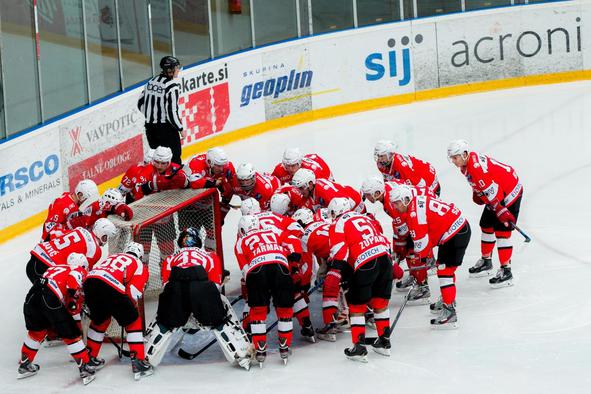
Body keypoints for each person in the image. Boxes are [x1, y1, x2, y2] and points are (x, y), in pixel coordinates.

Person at [145, 228, 251, 370]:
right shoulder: (210, 255)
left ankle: (145, 356)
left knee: (163, 318)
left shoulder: (170, 258)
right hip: (201, 291)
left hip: (175, 291)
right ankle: (242, 353)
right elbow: (216, 286)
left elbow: (166, 286)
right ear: (198, 241)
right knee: (222, 310)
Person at [390, 184, 471, 329]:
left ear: (405, 200)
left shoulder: (414, 216)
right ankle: (449, 300)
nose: (395, 207)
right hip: (456, 230)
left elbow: (422, 246)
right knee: (445, 269)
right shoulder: (416, 202)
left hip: (455, 234)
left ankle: (450, 311)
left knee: (444, 271)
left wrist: (418, 262)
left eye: (397, 203)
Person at [447, 140, 522, 288]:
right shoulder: (466, 164)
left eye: (455, 157)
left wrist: (501, 210)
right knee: (486, 225)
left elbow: (496, 192)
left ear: (464, 154)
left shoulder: (475, 168)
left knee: (502, 231)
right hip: (497, 192)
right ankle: (486, 261)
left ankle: (506, 270)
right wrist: (479, 192)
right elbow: (485, 185)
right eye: (452, 158)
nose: (453, 161)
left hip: (510, 191)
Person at [326, 198, 393, 362]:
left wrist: (335, 272)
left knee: (356, 305)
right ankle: (384, 342)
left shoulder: (338, 224)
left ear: (335, 212)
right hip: (384, 258)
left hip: (364, 262)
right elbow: (382, 237)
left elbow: (341, 252)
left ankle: (359, 346)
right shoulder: (364, 217)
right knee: (380, 302)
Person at [18, 253, 95, 385]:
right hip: (49, 297)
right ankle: (85, 367)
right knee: (71, 334)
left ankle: (25, 364)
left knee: (36, 332)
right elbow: (73, 281)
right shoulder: (78, 269)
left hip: (32, 296)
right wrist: (73, 299)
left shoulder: (55, 267)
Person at [234, 215, 301, 366]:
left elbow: (245, 271)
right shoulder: (273, 231)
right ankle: (284, 347)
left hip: (256, 270)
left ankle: (260, 348)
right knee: (285, 310)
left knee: (258, 311)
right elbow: (293, 242)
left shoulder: (240, 242)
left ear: (243, 229)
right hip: (280, 267)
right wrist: (294, 264)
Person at [84, 242, 153, 380]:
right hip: (109, 286)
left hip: (89, 283)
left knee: (100, 320)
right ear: (140, 255)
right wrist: (126, 309)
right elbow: (133, 292)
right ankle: (138, 361)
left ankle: (89, 358)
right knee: (133, 321)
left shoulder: (112, 256)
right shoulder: (140, 265)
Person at [26, 218, 116, 284]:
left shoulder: (80, 229)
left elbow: (54, 234)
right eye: (106, 237)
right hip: (47, 268)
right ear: (103, 235)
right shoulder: (96, 251)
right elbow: (82, 273)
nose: (106, 241)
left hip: (36, 255)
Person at [137, 56, 184, 165]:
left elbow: (140, 103)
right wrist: (180, 128)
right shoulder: (172, 86)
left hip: (150, 128)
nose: (178, 70)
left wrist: (152, 115)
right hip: (166, 130)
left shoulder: (150, 82)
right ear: (170, 70)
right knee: (174, 160)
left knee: (158, 161)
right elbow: (171, 113)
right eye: (176, 68)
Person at [373, 140, 440, 196]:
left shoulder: (402, 166)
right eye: (378, 155)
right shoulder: (381, 164)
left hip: (430, 183)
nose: (379, 159)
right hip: (416, 179)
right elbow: (389, 183)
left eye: (382, 156)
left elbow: (421, 187)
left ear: (390, 155)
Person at [291, 168, 364, 213]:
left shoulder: (325, 192)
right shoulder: (311, 190)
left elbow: (346, 205)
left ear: (310, 184)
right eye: (298, 189)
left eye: (301, 188)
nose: (300, 192)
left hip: (354, 204)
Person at [67, 188, 133, 231]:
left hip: (76, 229)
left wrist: (115, 208)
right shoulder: (96, 208)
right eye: (116, 204)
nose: (116, 206)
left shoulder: (100, 204)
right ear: (108, 202)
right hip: (69, 230)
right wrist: (115, 208)